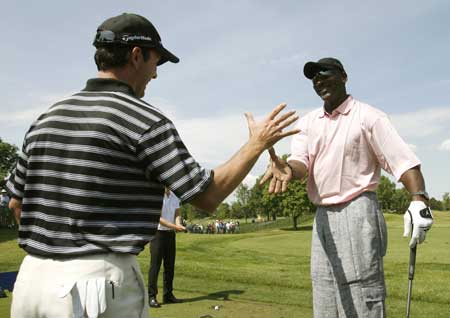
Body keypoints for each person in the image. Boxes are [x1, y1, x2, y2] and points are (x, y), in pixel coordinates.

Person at [5, 13, 299, 318]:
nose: (155, 75)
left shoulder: (46, 119)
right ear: (136, 56)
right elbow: (207, 195)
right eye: (155, 63)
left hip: (30, 282)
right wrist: (256, 145)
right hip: (96, 285)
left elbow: (17, 203)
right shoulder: (144, 120)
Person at [262, 57, 433, 317]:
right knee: (324, 291)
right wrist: (287, 168)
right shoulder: (307, 123)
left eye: (324, 72)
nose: (318, 79)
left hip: (357, 210)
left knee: (362, 293)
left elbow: (403, 160)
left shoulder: (368, 116)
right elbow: (300, 164)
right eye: (313, 77)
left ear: (343, 76)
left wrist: (418, 198)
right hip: (322, 216)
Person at [148, 188, 185, 308]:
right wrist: (175, 226)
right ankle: (152, 296)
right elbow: (158, 218)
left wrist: (179, 224)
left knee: (170, 265)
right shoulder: (156, 195)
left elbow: (177, 213)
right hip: (158, 233)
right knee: (155, 265)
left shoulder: (174, 196)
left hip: (170, 234)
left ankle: (168, 295)